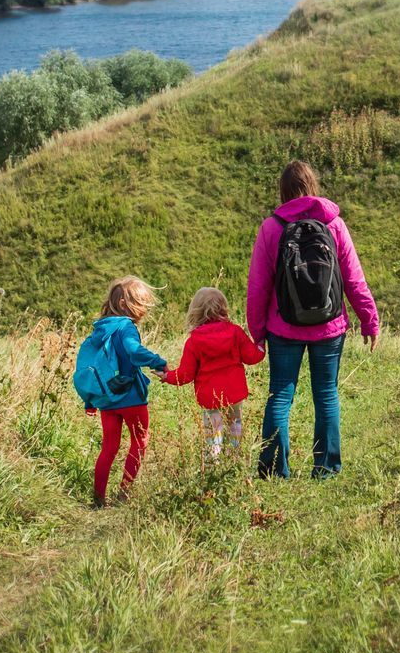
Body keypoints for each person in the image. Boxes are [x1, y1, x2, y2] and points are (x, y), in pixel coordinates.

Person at [246, 159, 378, 479]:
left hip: (284, 327)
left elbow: (258, 284)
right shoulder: (334, 224)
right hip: (329, 326)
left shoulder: (272, 227)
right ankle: (326, 468)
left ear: (283, 191)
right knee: (326, 394)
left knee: (280, 394)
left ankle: (275, 470)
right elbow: (353, 278)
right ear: (313, 185)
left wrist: (258, 330)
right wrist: (368, 319)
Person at [79, 275, 169, 507]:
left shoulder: (99, 330)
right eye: (140, 304)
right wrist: (158, 362)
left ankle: (98, 498)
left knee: (109, 447)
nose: (143, 310)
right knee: (140, 441)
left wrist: (90, 400)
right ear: (123, 305)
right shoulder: (125, 327)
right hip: (131, 398)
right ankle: (124, 493)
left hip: (107, 400)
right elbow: (134, 352)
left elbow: (91, 365)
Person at [161, 286, 266, 457]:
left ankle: (213, 458)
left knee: (213, 429)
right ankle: (234, 455)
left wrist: (167, 376)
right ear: (223, 307)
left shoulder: (194, 341)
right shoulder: (235, 332)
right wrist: (261, 346)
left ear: (196, 311)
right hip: (234, 392)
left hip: (210, 397)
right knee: (235, 423)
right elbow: (251, 357)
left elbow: (185, 375)